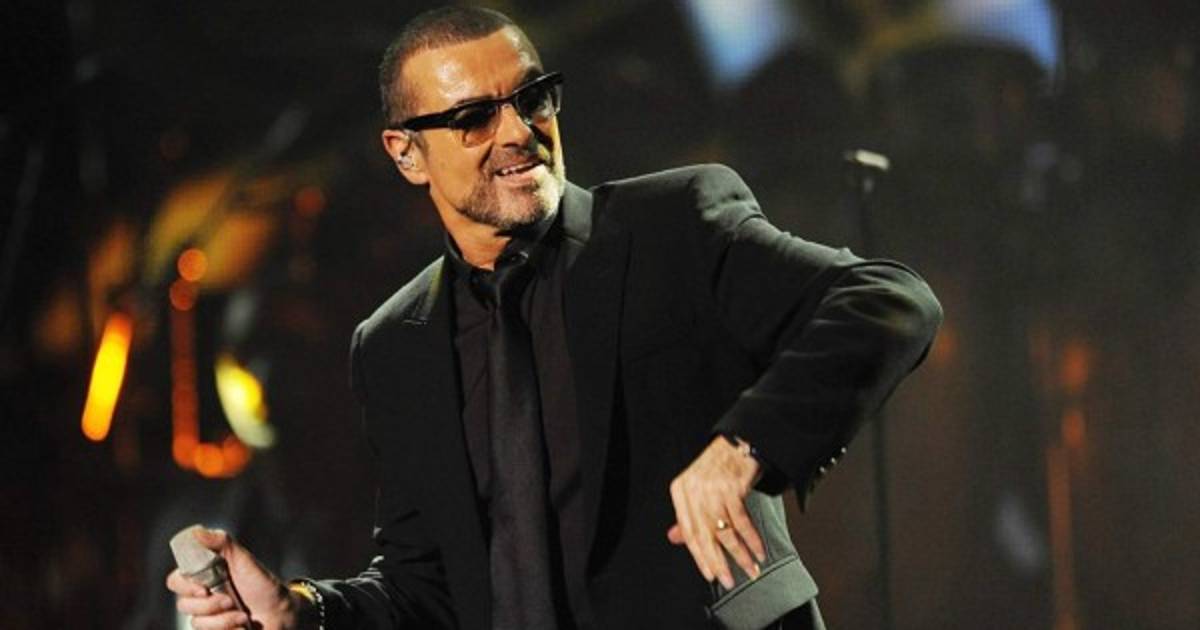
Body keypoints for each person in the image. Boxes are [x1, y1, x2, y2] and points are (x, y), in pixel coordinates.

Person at [167, 6, 941, 630]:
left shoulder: (672, 225)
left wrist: (747, 444)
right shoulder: (393, 344)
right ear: (406, 154)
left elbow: (888, 298)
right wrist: (301, 611)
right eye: (473, 117)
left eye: (531, 98)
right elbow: (423, 584)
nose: (517, 132)